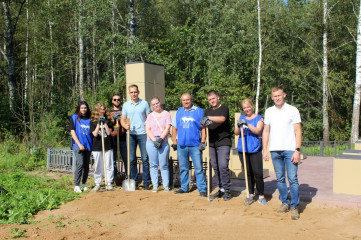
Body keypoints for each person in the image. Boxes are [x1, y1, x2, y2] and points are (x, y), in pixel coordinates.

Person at [262, 87, 302, 220]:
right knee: (280, 178)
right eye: (275, 96)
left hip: (290, 150)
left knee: (293, 179)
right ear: (272, 97)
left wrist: (297, 150)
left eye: (279, 95)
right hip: (275, 150)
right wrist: (265, 149)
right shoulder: (269, 111)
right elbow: (266, 131)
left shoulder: (293, 110)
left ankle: (295, 206)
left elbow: (298, 131)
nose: (277, 98)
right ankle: (285, 203)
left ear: (284, 95)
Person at [171, 93, 207, 197]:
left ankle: (202, 189)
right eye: (183, 100)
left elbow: (204, 128)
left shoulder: (199, 111)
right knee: (183, 168)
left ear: (191, 100)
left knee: (199, 168)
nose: (185, 102)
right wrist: (174, 141)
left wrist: (203, 141)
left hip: (195, 144)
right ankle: (184, 187)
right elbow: (174, 127)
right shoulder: (178, 111)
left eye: (187, 100)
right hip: (181, 145)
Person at [200, 90, 232, 201]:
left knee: (223, 165)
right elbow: (203, 126)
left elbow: (222, 119)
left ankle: (227, 190)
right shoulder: (207, 111)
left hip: (223, 141)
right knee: (215, 166)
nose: (212, 101)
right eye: (209, 99)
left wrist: (209, 118)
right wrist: (203, 141)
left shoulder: (224, 108)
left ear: (218, 97)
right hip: (212, 142)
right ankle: (221, 189)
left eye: (213, 98)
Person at [234, 98, 266, 205]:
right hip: (243, 149)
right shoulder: (241, 117)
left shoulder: (259, 118)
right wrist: (239, 125)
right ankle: (251, 193)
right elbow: (236, 132)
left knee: (257, 173)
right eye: (244, 108)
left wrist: (247, 124)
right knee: (248, 173)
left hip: (254, 149)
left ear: (252, 106)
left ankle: (261, 195)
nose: (246, 109)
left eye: (248, 107)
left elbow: (257, 131)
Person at [121, 84, 151, 190]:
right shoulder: (126, 105)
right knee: (132, 159)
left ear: (138, 92)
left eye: (135, 92)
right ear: (129, 93)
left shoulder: (144, 104)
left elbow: (149, 118)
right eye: (131, 92)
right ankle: (134, 181)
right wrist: (125, 125)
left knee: (145, 159)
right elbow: (122, 119)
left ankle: (146, 182)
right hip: (131, 134)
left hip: (143, 133)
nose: (133, 94)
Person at [145, 97, 172, 193]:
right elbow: (147, 129)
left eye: (157, 103)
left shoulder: (166, 114)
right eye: (153, 104)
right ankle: (155, 185)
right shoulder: (150, 116)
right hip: (151, 141)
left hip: (163, 141)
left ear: (160, 103)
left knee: (164, 164)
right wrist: (154, 140)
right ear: (151, 106)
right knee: (153, 164)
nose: (156, 105)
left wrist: (160, 139)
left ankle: (165, 186)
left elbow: (168, 127)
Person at [69, 101, 93, 193]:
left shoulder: (90, 119)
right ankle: (76, 185)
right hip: (78, 145)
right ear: (79, 108)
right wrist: (79, 144)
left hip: (88, 145)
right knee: (80, 164)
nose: (84, 109)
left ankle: (83, 183)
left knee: (86, 165)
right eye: (82, 108)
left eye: (85, 108)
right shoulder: (74, 118)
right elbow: (72, 132)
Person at [90, 102, 114, 191]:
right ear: (97, 110)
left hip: (107, 145)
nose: (102, 110)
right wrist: (98, 124)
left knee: (109, 165)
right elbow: (95, 134)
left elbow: (108, 133)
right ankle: (97, 183)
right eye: (100, 109)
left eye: (104, 109)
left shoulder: (109, 121)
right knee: (98, 166)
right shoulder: (92, 122)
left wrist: (105, 124)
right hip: (97, 146)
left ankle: (109, 182)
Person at [109, 94, 127, 183]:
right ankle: (115, 178)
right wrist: (113, 119)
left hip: (123, 137)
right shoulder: (109, 112)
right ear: (112, 101)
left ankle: (127, 176)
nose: (117, 101)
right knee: (113, 159)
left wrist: (122, 120)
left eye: (118, 99)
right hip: (113, 137)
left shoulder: (124, 111)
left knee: (126, 158)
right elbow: (108, 123)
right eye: (115, 99)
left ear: (121, 101)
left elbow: (127, 121)